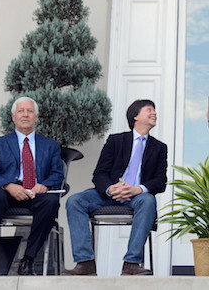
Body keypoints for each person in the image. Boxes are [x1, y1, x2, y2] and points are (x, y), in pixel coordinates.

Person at [62, 99, 167, 276]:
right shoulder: (116, 141)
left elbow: (160, 181)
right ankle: (85, 263)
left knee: (148, 200)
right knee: (75, 201)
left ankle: (132, 263)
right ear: (135, 116)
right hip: (106, 195)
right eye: (149, 110)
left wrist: (138, 189)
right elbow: (99, 173)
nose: (154, 113)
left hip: (137, 198)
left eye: (155, 110)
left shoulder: (159, 148)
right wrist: (112, 189)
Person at [0, 97, 64, 276]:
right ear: (13, 117)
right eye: (21, 111)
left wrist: (45, 185)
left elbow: (57, 174)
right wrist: (8, 185)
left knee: (51, 202)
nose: (25, 114)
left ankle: (27, 260)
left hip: (35, 193)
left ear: (36, 117)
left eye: (29, 111)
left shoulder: (51, 146)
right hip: (6, 193)